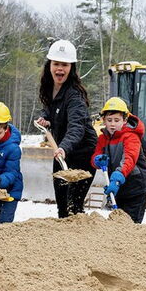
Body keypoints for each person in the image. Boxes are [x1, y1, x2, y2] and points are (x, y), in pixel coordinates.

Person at [35, 39, 97, 218]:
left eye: (64, 65)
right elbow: (50, 108)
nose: (59, 69)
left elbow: (76, 127)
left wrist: (64, 147)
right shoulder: (50, 88)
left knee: (73, 206)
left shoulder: (75, 96)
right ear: (49, 65)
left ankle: (78, 241)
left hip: (82, 153)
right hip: (62, 150)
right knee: (62, 205)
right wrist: (45, 119)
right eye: (56, 64)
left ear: (72, 68)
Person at [90, 97, 146, 223]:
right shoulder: (103, 138)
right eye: (109, 120)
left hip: (135, 187)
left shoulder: (131, 137)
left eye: (116, 120)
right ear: (104, 121)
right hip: (118, 187)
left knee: (130, 224)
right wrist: (97, 160)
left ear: (125, 120)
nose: (112, 124)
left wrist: (117, 178)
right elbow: (96, 155)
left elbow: (129, 159)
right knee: (118, 224)